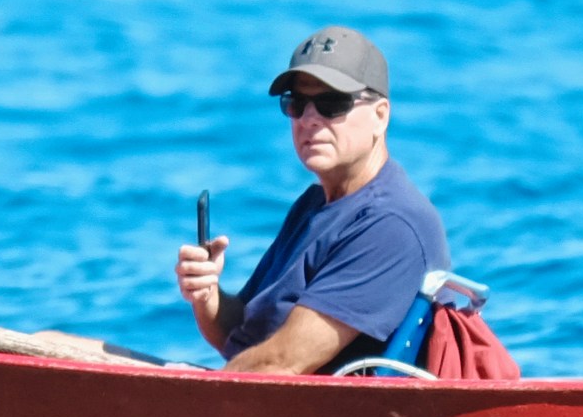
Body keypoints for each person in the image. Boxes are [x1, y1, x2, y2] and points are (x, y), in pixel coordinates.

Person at [173, 27, 451, 374]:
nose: (309, 119)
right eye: (297, 103)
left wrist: (192, 397)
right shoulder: (315, 204)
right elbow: (243, 335)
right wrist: (207, 295)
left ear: (380, 116)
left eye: (332, 104)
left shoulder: (391, 225)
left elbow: (282, 361)